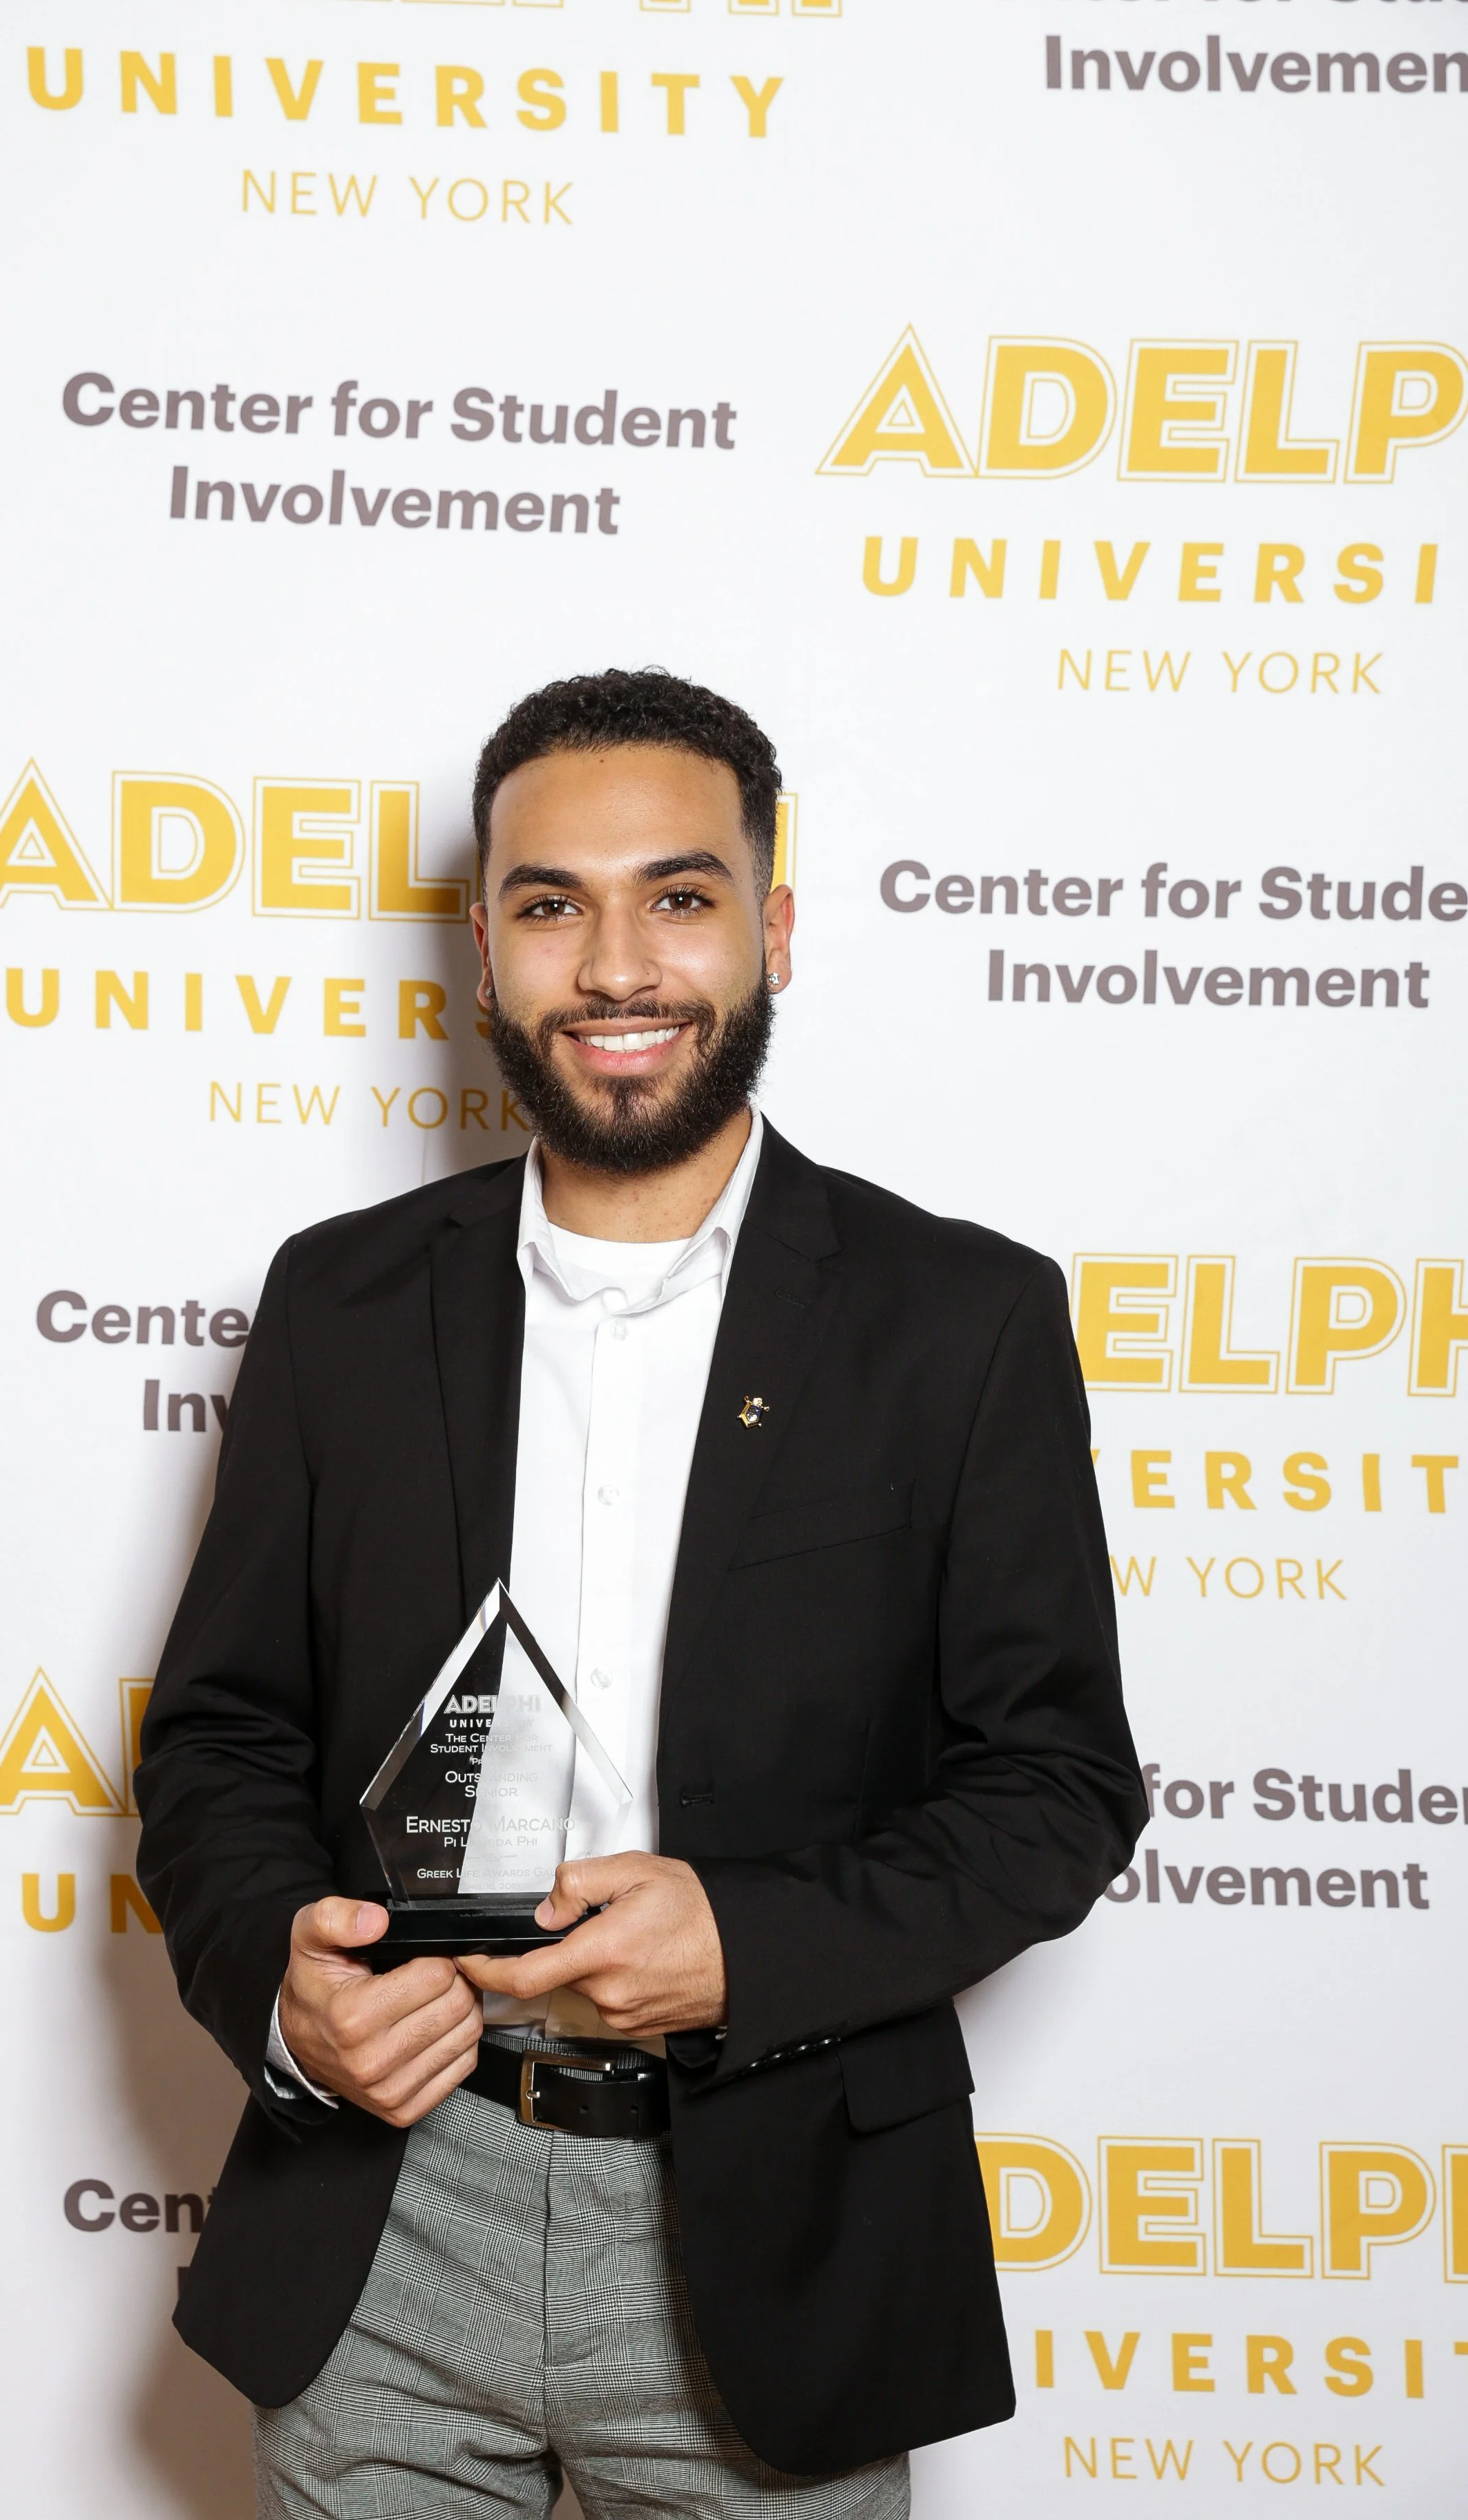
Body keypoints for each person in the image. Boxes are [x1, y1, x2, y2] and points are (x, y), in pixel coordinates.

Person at [135, 668, 1146, 2518]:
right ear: (487, 947)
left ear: (770, 929)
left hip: (774, 2223)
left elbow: (1055, 1788)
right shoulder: (343, 1301)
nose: (616, 967)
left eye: (678, 897)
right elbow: (222, 1737)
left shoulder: (961, 1321)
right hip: (386, 2213)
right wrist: (289, 1989)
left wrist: (749, 1943)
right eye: (552, 905)